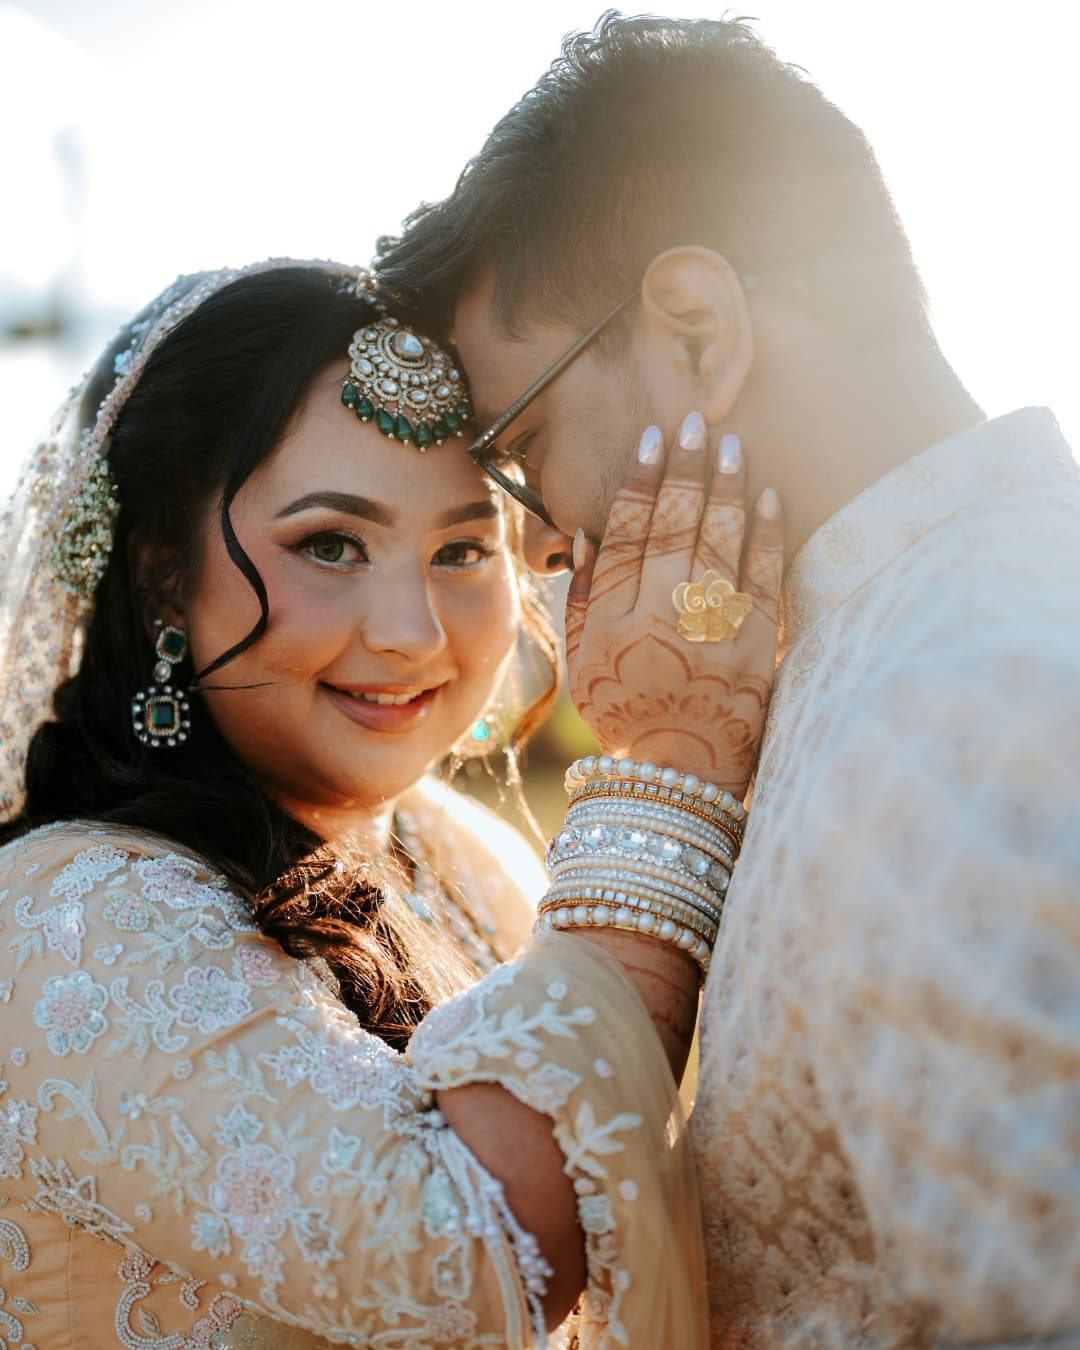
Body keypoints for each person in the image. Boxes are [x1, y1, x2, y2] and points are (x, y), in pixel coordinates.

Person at [376, 13, 1080, 1347]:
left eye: (522, 446)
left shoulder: (966, 704)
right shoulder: (865, 653)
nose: (528, 538)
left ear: (696, 332)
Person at [0, 256, 784, 1347]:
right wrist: (675, 764)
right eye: (331, 544)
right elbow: (469, 1261)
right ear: (161, 576)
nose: (414, 633)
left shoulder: (464, 860)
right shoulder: (65, 915)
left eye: (462, 548)